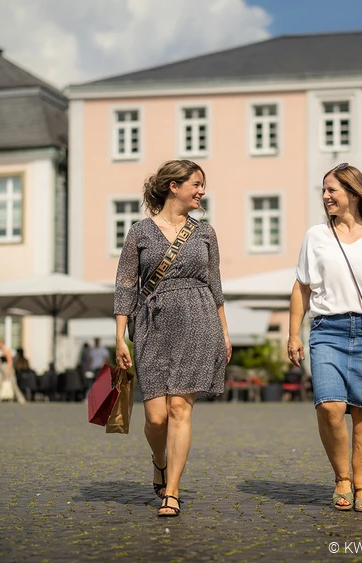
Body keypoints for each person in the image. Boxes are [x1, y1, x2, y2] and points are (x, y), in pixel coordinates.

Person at [287, 163, 362, 514]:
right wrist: (293, 333)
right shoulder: (316, 236)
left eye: (332, 190)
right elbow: (302, 287)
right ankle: (342, 477)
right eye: (324, 190)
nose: (325, 196)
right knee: (329, 405)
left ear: (353, 193)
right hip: (329, 329)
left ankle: (361, 487)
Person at [114, 159, 231, 518]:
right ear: (173, 187)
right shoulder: (139, 232)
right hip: (151, 325)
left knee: (180, 409)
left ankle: (172, 492)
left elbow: (215, 285)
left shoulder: (205, 233)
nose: (201, 191)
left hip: (198, 321)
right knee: (156, 417)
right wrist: (120, 337)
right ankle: (159, 460)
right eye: (196, 184)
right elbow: (125, 286)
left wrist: (224, 332)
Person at [0, 339, 27, 404]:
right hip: (1, 369)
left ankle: (21, 399)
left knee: (13, 384)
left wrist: (8, 369)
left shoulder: (6, 350)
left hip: (7, 368)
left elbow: (10, 361)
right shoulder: (2, 351)